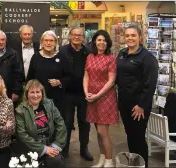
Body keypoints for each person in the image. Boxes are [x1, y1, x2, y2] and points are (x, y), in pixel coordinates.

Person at [116, 24, 158, 167]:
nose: (130, 38)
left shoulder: (147, 58)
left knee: (138, 137)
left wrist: (141, 106)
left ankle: (143, 165)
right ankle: (134, 163)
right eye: (127, 35)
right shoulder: (122, 53)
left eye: (133, 35)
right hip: (124, 103)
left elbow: (150, 85)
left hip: (138, 105)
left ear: (140, 37)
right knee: (130, 136)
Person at [83, 30, 118, 167]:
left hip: (105, 97)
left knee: (102, 131)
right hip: (91, 97)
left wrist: (97, 95)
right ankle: (102, 159)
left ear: (107, 42)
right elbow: (86, 76)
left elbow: (111, 81)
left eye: (104, 40)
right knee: (97, 132)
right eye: (99, 40)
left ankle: (109, 161)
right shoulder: (90, 57)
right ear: (95, 42)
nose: (101, 42)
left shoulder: (111, 58)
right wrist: (86, 92)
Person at [59, 27, 93, 160]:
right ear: (70, 36)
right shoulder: (62, 51)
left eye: (80, 35)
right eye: (74, 35)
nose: (77, 37)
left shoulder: (89, 52)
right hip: (67, 93)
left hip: (84, 94)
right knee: (66, 122)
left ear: (83, 38)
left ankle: (84, 150)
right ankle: (64, 150)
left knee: (84, 122)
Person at [16, 79, 67, 168]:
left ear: (42, 93)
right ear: (27, 94)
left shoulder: (49, 104)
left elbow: (60, 124)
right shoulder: (20, 110)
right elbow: (22, 135)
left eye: (38, 92)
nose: (35, 95)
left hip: (50, 145)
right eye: (32, 92)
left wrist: (57, 145)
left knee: (56, 161)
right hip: (29, 148)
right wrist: (43, 149)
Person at [26, 31, 72, 120]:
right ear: (42, 42)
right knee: (40, 126)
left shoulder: (62, 57)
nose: (48, 43)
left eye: (51, 41)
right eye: (46, 40)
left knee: (56, 125)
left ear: (55, 43)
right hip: (38, 99)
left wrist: (60, 82)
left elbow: (70, 77)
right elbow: (29, 78)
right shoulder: (35, 57)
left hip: (57, 99)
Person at [0, 30, 24, 102]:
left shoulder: (14, 54)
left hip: (9, 92)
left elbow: (19, 74)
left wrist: (16, 92)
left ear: (6, 41)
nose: (1, 42)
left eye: (2, 40)